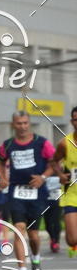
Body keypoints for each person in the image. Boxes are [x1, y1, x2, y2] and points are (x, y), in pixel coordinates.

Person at [0, 112, 55, 270]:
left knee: (34, 235)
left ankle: (35, 260)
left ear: (29, 124)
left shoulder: (41, 143)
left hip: (36, 193)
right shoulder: (7, 145)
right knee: (19, 229)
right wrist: (2, 178)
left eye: (25, 123)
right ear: (13, 125)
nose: (22, 126)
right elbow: (0, 160)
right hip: (16, 192)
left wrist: (43, 177)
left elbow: (54, 163)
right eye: (18, 123)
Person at [53, 106, 77, 256]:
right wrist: (60, 174)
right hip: (71, 195)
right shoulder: (64, 144)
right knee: (72, 240)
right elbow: (53, 162)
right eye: (76, 119)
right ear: (71, 121)